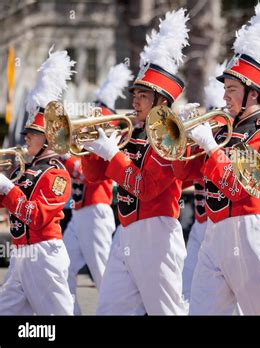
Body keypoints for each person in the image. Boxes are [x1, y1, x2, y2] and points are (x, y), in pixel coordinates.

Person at [172, 0, 260, 315]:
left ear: (252, 94)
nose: (224, 95)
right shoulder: (224, 132)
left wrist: (211, 147)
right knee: (203, 310)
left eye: (232, 89)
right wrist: (179, 138)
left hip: (247, 229)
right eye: (225, 88)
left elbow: (243, 187)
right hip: (215, 229)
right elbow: (184, 174)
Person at [81, 9, 190, 315]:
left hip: (156, 233)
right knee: (109, 310)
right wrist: (93, 149)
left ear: (161, 101)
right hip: (126, 230)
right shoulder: (131, 131)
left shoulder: (170, 138)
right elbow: (94, 177)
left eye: (143, 95)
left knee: (167, 312)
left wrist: (114, 155)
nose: (135, 101)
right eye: (135, 94)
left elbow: (147, 187)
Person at [0, 49, 75, 315]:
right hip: (20, 254)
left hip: (43, 255)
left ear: (47, 140)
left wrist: (7, 187)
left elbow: (38, 216)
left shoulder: (57, 174)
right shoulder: (24, 167)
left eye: (32, 133)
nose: (26, 137)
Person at [61, 63, 132, 314]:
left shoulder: (110, 143)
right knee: (62, 269)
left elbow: (84, 173)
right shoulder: (87, 145)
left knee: (104, 276)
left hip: (96, 212)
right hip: (79, 212)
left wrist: (64, 156)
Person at [181, 61, 227, 302]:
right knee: (190, 286)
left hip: (222, 225)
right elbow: (183, 176)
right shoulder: (203, 143)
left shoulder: (228, 143)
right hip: (201, 224)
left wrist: (211, 146)